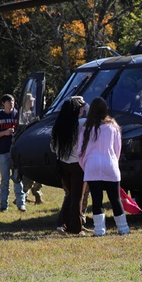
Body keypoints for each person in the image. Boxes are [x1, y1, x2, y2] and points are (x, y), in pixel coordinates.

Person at [78, 97, 129, 236]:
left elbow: (80, 153)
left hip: (92, 166)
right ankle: (123, 228)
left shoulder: (86, 129)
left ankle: (99, 230)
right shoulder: (113, 127)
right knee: (115, 198)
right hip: (110, 164)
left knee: (96, 199)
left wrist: (86, 167)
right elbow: (117, 149)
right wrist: (113, 161)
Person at [51, 96, 87, 235]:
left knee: (69, 195)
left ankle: (61, 224)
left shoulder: (58, 125)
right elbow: (96, 118)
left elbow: (53, 147)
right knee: (77, 197)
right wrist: (85, 103)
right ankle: (76, 228)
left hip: (62, 164)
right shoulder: (81, 123)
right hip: (77, 165)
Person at [0, 94, 26, 212]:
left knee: (17, 178)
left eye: (13, 101)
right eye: (8, 101)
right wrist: (4, 133)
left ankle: (21, 204)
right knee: (5, 180)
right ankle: (3, 206)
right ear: (3, 103)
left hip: (17, 152)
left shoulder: (19, 115)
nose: (11, 103)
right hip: (3, 152)